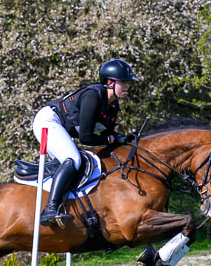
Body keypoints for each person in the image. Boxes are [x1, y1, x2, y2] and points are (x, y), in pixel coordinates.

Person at [32, 58, 138, 225]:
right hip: (48, 121)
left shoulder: (113, 106)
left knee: (76, 162)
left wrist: (123, 138)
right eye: (123, 82)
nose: (127, 86)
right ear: (109, 82)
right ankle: (49, 210)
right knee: (73, 159)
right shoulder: (92, 96)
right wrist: (111, 138)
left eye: (128, 83)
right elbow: (86, 138)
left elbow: (106, 134)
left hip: (61, 127)